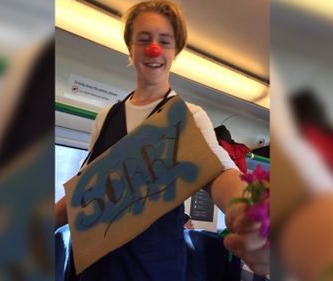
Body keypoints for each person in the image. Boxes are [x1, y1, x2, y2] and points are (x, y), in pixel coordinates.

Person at [54, 1, 269, 280]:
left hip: (152, 271)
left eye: (164, 40)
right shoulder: (107, 117)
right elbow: (84, 194)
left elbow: (221, 173)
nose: (153, 48)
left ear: (175, 49)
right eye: (143, 39)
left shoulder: (188, 117)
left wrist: (248, 208)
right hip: (91, 270)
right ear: (130, 47)